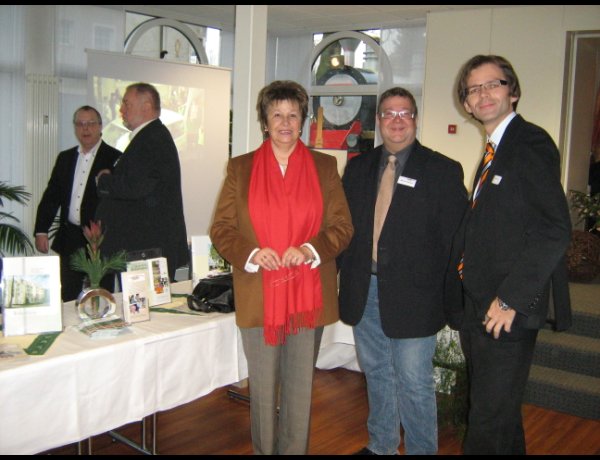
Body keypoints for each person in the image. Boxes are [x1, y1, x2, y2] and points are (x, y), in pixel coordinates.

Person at [210, 80, 353, 455]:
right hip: (260, 295)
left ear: (303, 120)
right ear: (265, 121)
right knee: (262, 390)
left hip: (308, 295)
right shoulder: (240, 168)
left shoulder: (325, 167)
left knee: (299, 390)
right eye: (277, 115)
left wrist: (309, 249)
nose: (285, 123)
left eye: (293, 115)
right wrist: (252, 254)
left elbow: (342, 227)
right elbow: (222, 229)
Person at [337, 87, 468, 455]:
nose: (397, 120)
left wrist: (450, 295)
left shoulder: (442, 170)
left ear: (415, 119)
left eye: (404, 113)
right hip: (365, 290)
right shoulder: (358, 167)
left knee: (414, 382)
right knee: (377, 373)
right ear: (379, 121)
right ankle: (381, 445)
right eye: (389, 113)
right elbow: (344, 229)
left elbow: (456, 239)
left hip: (416, 297)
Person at [452, 55, 572, 454]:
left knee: (487, 419)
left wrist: (510, 300)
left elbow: (553, 228)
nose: (483, 93)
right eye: (474, 89)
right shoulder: (495, 149)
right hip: (481, 304)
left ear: (513, 92)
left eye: (493, 84)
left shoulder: (529, 142)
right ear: (467, 104)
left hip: (505, 308)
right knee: (498, 414)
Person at [95, 83, 189, 283]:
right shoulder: (150, 136)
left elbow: (136, 186)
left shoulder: (152, 139)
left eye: (126, 104)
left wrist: (104, 181)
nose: (121, 110)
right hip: (143, 248)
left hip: (146, 250)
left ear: (146, 107)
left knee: (147, 303)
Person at [34, 105, 121, 301]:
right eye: (80, 124)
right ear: (75, 128)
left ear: (100, 126)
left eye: (90, 123)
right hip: (70, 238)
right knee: (69, 296)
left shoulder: (115, 158)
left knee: (101, 296)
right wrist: (41, 230)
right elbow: (51, 196)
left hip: (101, 241)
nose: (85, 128)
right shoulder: (65, 158)